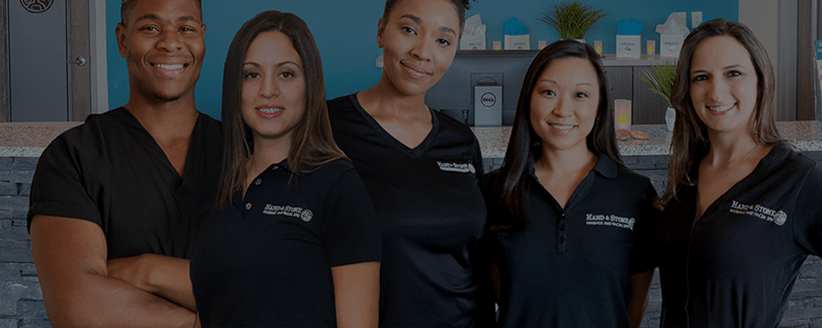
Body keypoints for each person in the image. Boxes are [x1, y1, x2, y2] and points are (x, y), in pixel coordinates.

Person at [27, 0, 219, 326]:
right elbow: (77, 307)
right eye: (150, 28)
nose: (171, 42)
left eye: (185, 29)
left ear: (202, 38)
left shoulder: (248, 154)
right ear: (122, 40)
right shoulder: (73, 157)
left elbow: (284, 288)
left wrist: (144, 270)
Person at [190, 10, 381, 328]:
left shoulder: (338, 187)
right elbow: (209, 309)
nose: (268, 90)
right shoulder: (216, 187)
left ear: (310, 85)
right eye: (252, 74)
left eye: (286, 74)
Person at [655, 18, 822, 328]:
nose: (716, 92)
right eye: (701, 77)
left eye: (734, 73)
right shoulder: (687, 170)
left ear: (760, 80)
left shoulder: (796, 180)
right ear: (687, 90)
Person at [326, 0, 489, 326]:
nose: (423, 52)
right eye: (409, 29)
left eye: (442, 40)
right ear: (381, 32)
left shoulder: (462, 141)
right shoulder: (326, 129)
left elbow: (478, 256)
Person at [481, 40, 657, 328]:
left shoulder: (635, 194)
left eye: (581, 95)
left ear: (600, 106)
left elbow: (634, 306)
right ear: (529, 99)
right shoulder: (495, 190)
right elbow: (503, 297)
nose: (563, 109)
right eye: (549, 92)